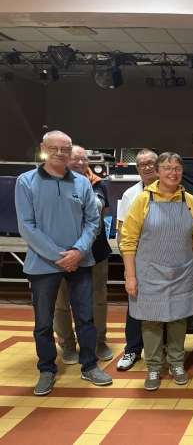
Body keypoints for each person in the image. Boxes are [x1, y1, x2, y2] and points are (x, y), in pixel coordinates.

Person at [15, 130, 113, 396]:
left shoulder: (82, 183)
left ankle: (89, 365)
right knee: (44, 322)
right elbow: (27, 226)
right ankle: (47, 369)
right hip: (44, 264)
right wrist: (61, 255)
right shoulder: (26, 181)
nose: (60, 152)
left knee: (86, 317)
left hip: (80, 262)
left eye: (65, 148)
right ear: (43, 149)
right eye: (54, 148)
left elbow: (93, 222)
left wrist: (78, 252)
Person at [121, 152, 193, 391]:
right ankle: (154, 367)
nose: (173, 172)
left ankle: (177, 363)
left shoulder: (188, 200)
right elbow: (128, 241)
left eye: (177, 168)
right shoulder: (142, 200)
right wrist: (131, 276)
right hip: (149, 272)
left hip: (182, 271)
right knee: (151, 322)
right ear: (157, 171)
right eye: (167, 167)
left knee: (179, 319)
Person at [53, 145, 113, 365]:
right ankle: (67, 344)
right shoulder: (55, 183)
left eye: (84, 159)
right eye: (74, 159)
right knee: (61, 302)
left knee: (98, 299)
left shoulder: (99, 184)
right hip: (62, 253)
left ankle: (98, 341)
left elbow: (101, 216)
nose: (80, 163)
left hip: (95, 252)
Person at [115, 149, 158, 371]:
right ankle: (132, 349)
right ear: (137, 168)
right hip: (139, 261)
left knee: (165, 307)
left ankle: (164, 349)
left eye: (151, 163)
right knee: (135, 306)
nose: (147, 167)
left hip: (166, 261)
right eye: (142, 164)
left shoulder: (173, 190)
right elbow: (121, 233)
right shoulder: (130, 194)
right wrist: (127, 266)